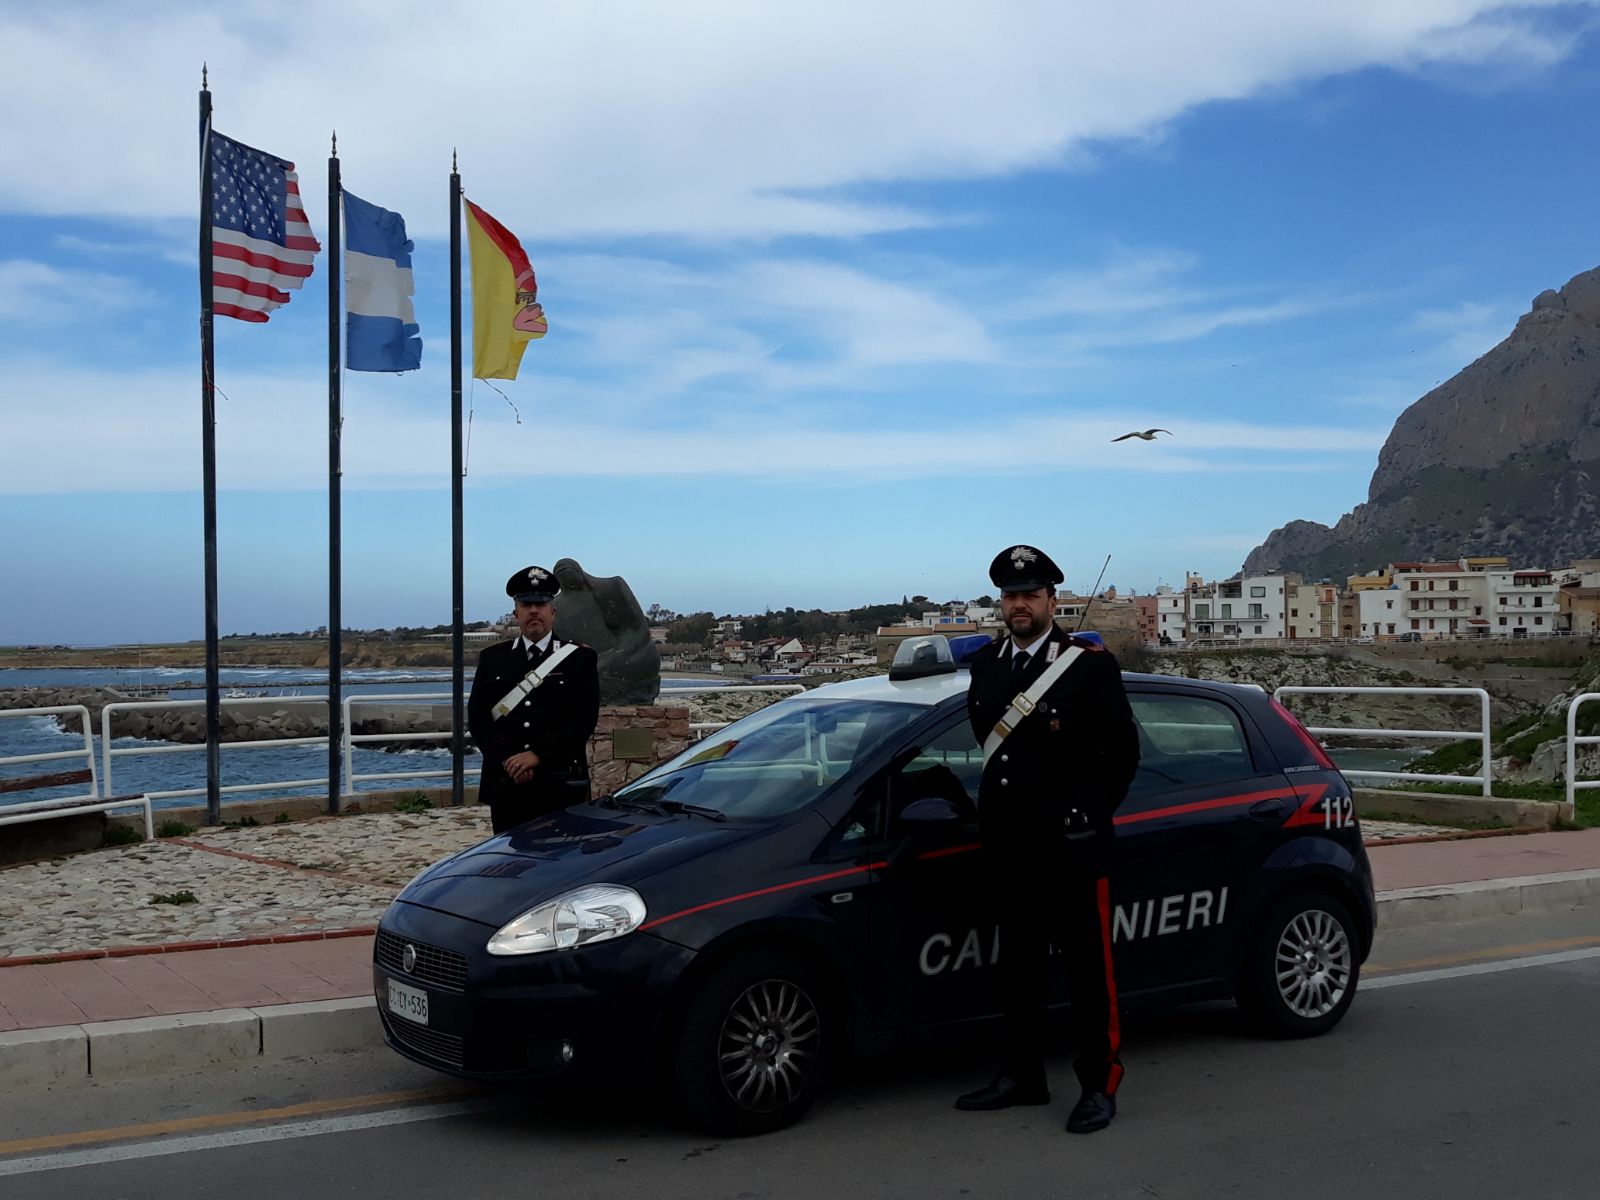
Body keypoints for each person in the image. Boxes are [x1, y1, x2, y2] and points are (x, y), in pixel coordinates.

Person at [955, 544, 1140, 1134]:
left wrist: (1085, 814)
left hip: (1071, 846)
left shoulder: (1087, 666)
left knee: (1089, 972)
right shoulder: (987, 666)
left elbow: (1123, 755)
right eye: (1011, 596)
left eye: (1030, 595)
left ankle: (1098, 1084)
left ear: (1051, 601)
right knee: (1019, 968)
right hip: (1010, 846)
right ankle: (1023, 1075)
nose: (1019, 605)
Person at [467, 565, 601, 834]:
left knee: (560, 867)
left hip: (559, 780)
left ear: (553, 611)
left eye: (541, 604)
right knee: (510, 866)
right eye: (526, 604)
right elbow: (478, 718)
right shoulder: (493, 659)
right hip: (507, 783)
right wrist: (509, 760)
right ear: (516, 612)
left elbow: (583, 719)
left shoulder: (579, 659)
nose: (534, 611)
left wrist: (537, 756)